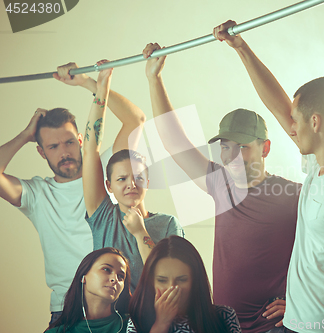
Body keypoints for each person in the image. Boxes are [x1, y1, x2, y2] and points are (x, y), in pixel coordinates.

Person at [213, 19, 324, 333]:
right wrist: (241, 48)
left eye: (298, 121)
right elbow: (279, 106)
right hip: (293, 325)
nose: (292, 127)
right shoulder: (318, 166)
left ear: (315, 122)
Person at [143, 43, 300, 333]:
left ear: (265, 148)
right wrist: (154, 78)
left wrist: (301, 302)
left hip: (274, 326)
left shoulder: (292, 194)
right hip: (225, 325)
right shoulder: (220, 183)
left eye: (243, 147)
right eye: (226, 147)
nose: (233, 157)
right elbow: (173, 142)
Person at [0, 61, 146, 324]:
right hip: (67, 311)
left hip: (120, 304)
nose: (64, 152)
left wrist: (89, 83)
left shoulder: (108, 171)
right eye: (53, 146)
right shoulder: (37, 193)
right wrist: (25, 134)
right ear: (41, 152)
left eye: (69, 142)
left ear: (81, 140)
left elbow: (135, 120)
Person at [82, 60, 184, 295]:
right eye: (121, 179)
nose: (131, 184)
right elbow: (90, 151)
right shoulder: (103, 217)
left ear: (148, 181)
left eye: (138, 177)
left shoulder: (168, 225)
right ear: (108, 185)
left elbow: (168, 280)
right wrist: (102, 87)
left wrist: (141, 233)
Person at [127, 236, 241, 333]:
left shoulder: (224, 316)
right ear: (151, 282)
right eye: (162, 280)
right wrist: (161, 324)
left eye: (182, 280)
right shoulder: (138, 320)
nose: (171, 287)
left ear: (195, 280)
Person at [45, 247, 131, 333]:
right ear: (83, 276)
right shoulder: (57, 332)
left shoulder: (133, 324)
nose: (115, 279)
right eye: (106, 269)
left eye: (120, 276)